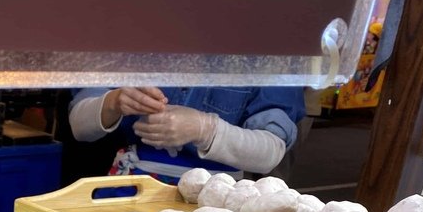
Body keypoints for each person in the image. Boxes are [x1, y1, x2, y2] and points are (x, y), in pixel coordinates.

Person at [67, 86, 306, 182]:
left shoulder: (265, 42)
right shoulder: (132, 28)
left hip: (218, 202)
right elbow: (79, 127)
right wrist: (113, 102)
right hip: (132, 191)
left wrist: (206, 129)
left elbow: (270, 153)